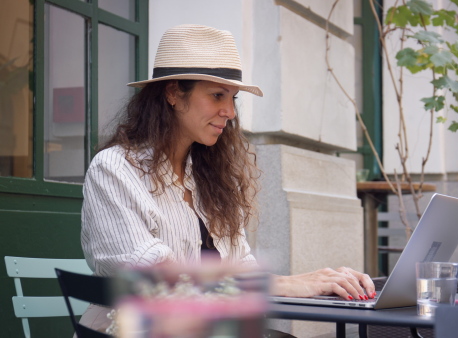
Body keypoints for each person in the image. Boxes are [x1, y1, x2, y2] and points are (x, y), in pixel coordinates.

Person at [79, 24, 375, 332]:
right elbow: (156, 277)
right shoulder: (115, 169)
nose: (230, 112)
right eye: (217, 95)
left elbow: (242, 269)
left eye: (232, 98)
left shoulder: (209, 177)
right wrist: (289, 284)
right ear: (173, 94)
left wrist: (314, 281)